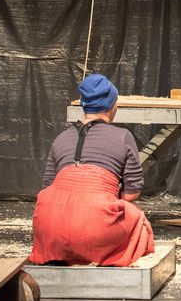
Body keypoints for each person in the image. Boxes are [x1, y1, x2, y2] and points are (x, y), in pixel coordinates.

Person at [30, 73, 154, 266]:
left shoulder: (61, 138)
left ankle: (64, 252)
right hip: (95, 227)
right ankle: (99, 253)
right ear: (113, 106)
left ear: (83, 105)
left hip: (50, 228)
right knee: (136, 215)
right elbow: (132, 193)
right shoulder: (123, 136)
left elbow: (49, 186)